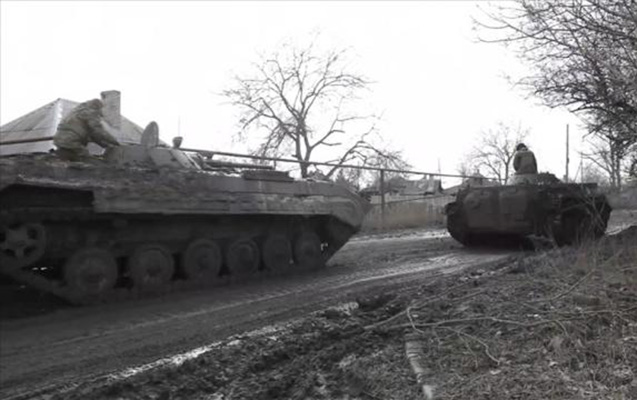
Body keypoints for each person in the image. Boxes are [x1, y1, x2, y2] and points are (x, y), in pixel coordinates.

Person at [53, 99, 120, 161]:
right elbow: (98, 130)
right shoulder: (91, 112)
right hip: (72, 142)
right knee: (91, 161)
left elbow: (94, 136)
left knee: (71, 158)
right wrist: (114, 142)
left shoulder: (77, 111)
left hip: (60, 141)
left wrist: (106, 145)